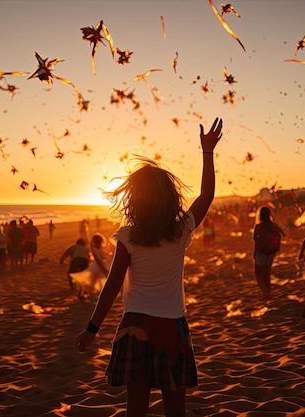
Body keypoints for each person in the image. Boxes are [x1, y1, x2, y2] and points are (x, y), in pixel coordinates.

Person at [75, 117, 223, 417]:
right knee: (174, 411)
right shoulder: (181, 231)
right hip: (172, 327)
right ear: (170, 198)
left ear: (135, 200)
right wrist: (207, 153)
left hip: (135, 326)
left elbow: (113, 286)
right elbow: (206, 196)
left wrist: (92, 328)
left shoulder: (129, 236)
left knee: (136, 410)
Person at [253, 206, 285, 300]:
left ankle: (265, 293)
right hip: (271, 252)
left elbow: (255, 238)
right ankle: (269, 293)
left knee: (259, 274)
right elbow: (282, 234)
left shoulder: (259, 226)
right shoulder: (274, 226)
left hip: (261, 252)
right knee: (267, 274)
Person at [69, 233, 114, 299]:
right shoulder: (94, 249)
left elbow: (103, 256)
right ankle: (82, 294)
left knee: (92, 281)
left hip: (99, 266)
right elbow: (98, 260)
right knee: (89, 281)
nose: (98, 243)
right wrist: (104, 269)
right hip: (97, 267)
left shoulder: (99, 248)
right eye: (97, 242)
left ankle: (83, 294)